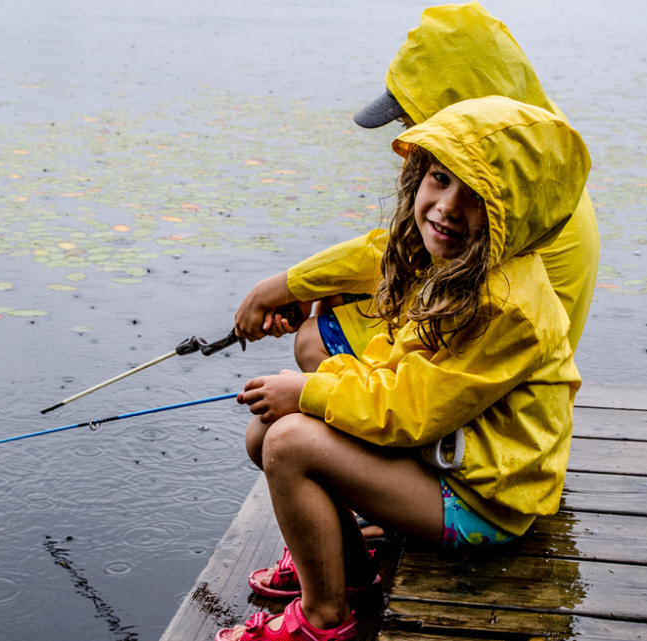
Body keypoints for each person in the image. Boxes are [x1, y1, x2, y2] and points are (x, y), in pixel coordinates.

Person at [217, 95, 590, 641]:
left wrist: (312, 392)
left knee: (290, 442)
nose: (446, 206)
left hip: (485, 502)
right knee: (265, 432)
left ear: (515, 214)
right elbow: (394, 365)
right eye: (440, 178)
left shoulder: (507, 307)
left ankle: (324, 619)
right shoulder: (454, 263)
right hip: (440, 461)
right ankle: (345, 570)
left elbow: (412, 412)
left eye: (476, 195)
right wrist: (313, 387)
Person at [235, 1, 599, 371]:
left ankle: (331, 420)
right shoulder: (531, 144)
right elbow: (405, 253)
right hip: (465, 301)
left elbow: (415, 261)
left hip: (483, 355)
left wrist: (279, 289)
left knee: (314, 339)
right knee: (335, 294)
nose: (408, 141)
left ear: (460, 109)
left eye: (412, 121)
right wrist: (303, 286)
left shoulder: (500, 180)